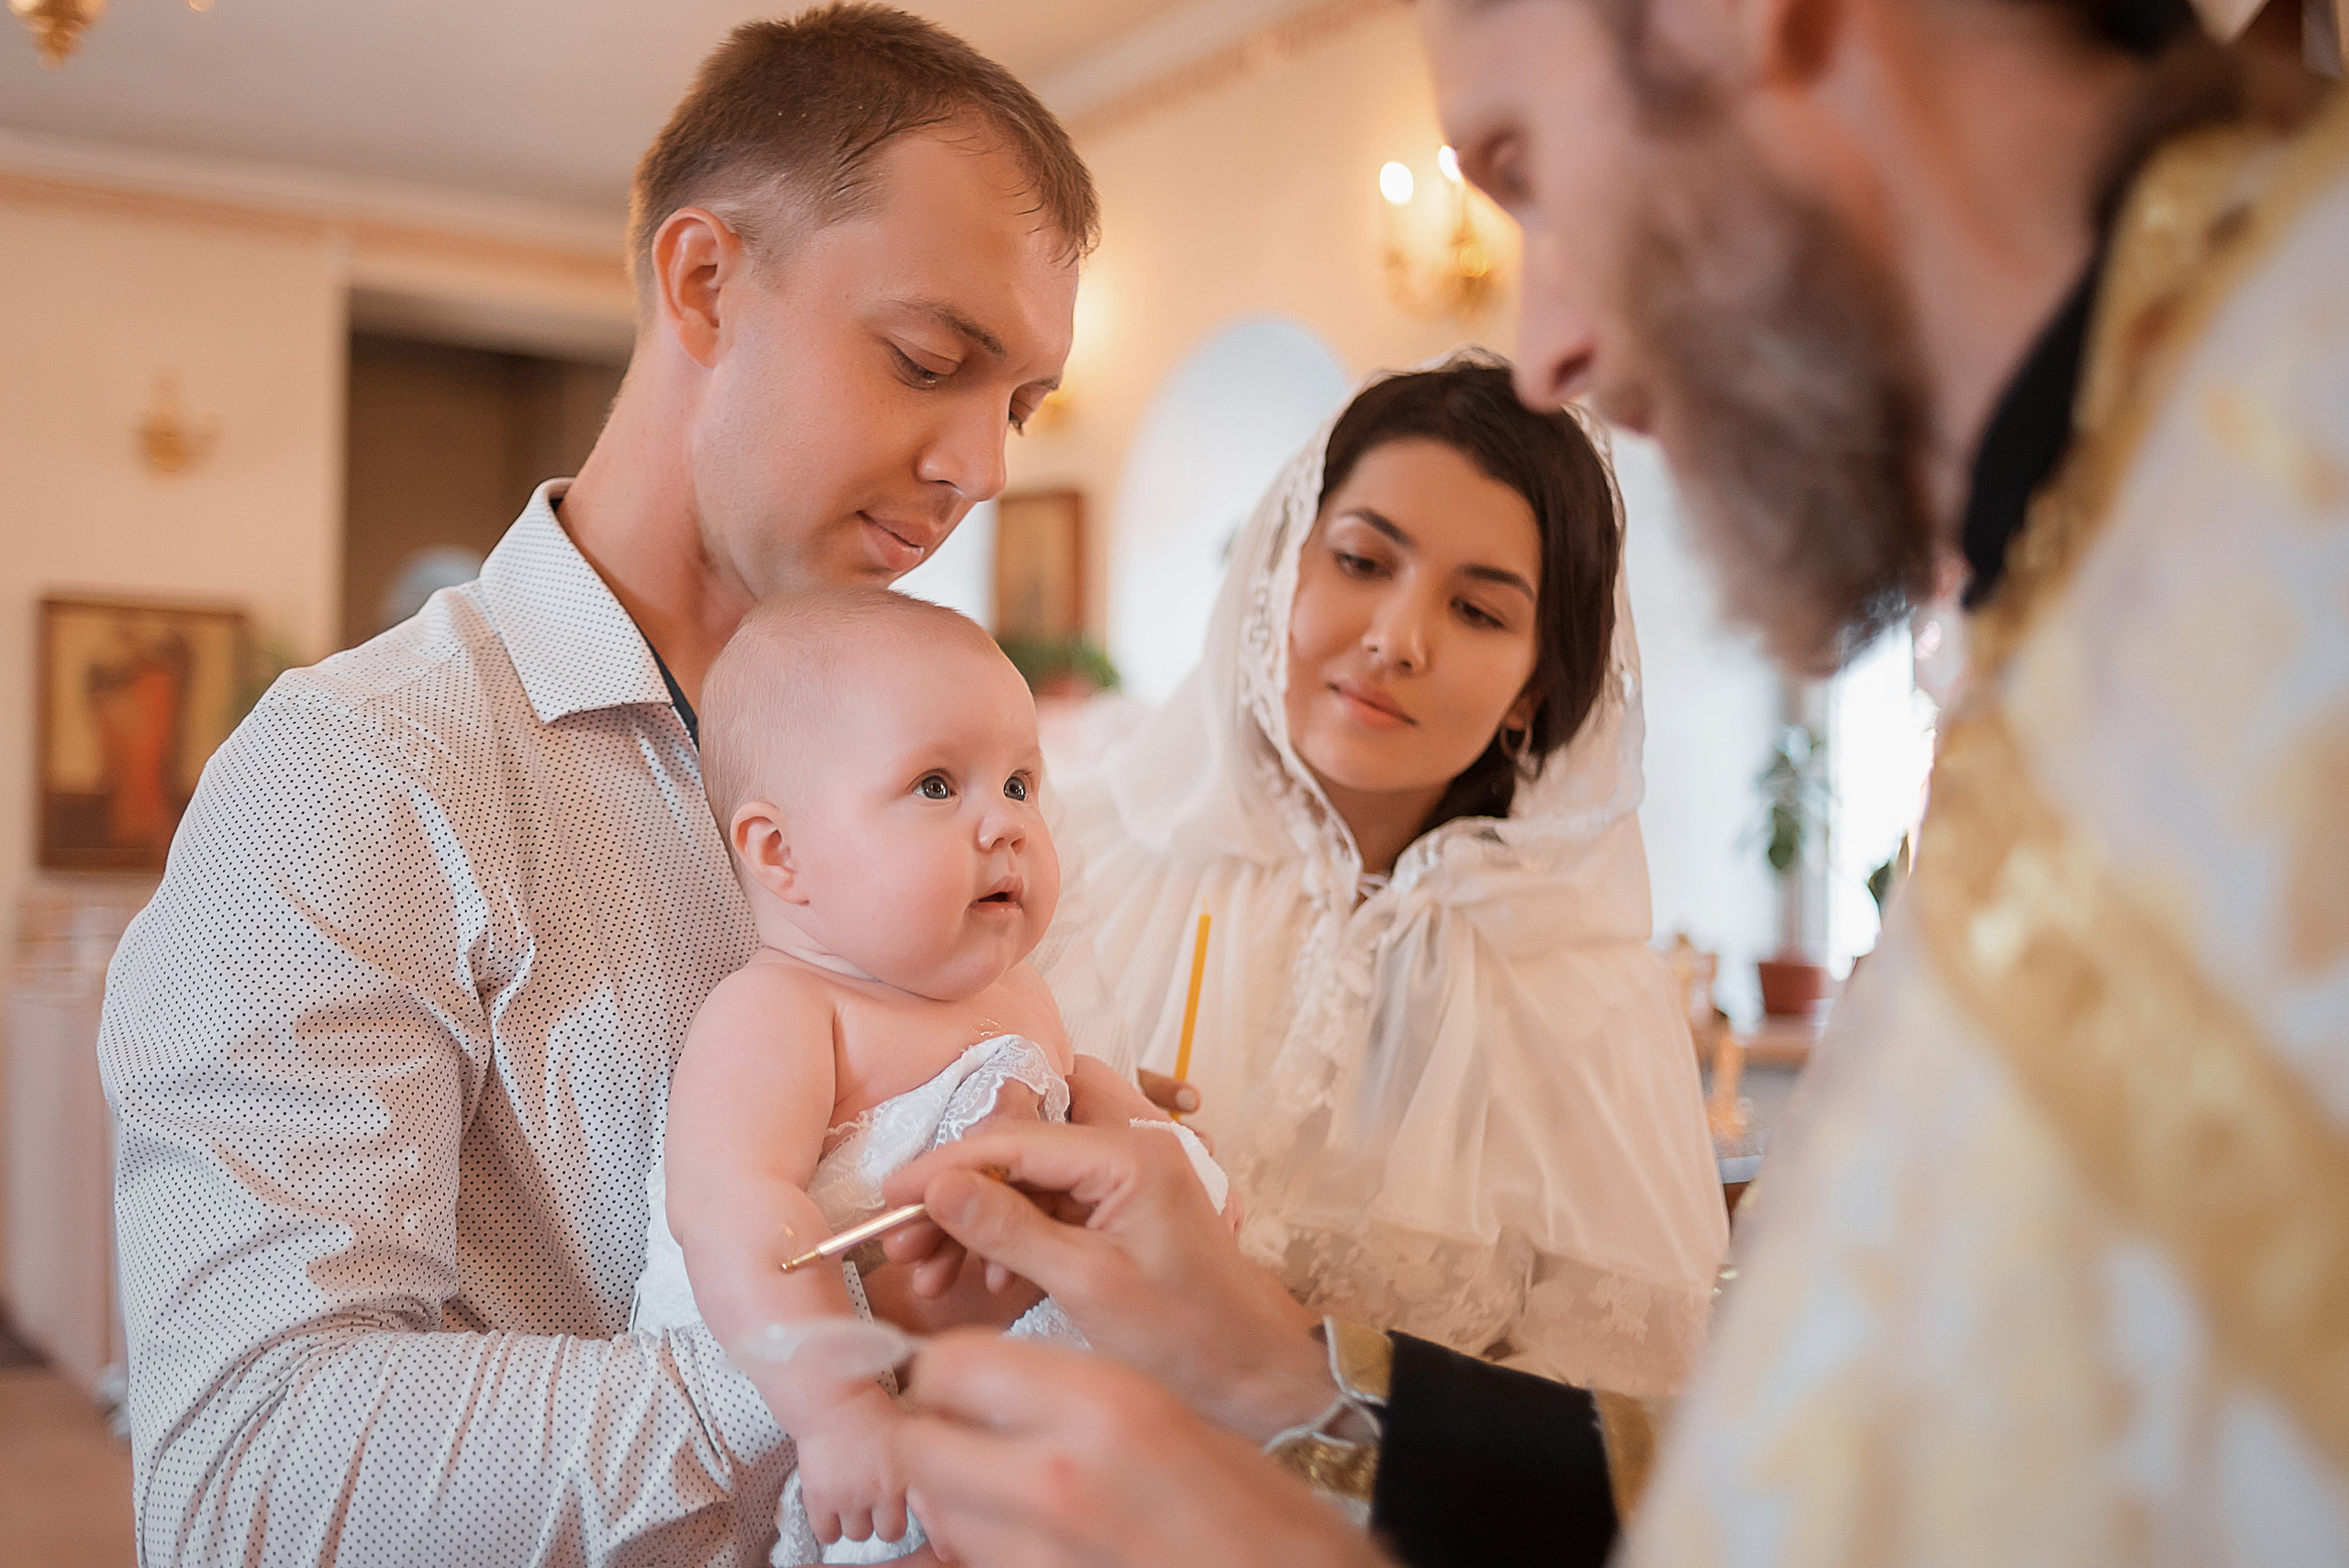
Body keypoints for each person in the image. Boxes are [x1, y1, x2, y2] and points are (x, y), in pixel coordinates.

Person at [869, 0, 2349, 1563]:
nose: (1554, 340)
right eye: (1359, 558)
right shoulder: (2134, 546)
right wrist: (1293, 1371)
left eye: (1531, 174)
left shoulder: (2280, 497)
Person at [95, 8, 1103, 1563]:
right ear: (705, 281)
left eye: (1021, 401)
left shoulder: (963, 761)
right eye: (930, 361)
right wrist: (804, 1346)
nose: (982, 461)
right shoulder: (358, 771)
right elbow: (241, 1479)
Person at [1054, 356, 1725, 1396]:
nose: (1394, 639)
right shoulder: (1070, 859)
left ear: (1534, 688)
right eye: (1364, 561)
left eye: (1479, 611)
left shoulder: (1582, 1005)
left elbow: (1601, 1441)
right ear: (1283, 566)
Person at [634, 589, 1084, 1564]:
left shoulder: (1020, 993)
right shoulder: (784, 1014)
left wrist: (1142, 1132)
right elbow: (734, 1210)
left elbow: (1071, 1094)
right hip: (864, 1421)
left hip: (1046, 1420)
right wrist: (838, 1412)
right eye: (935, 785)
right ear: (782, 853)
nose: (1003, 824)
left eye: (1019, 783)